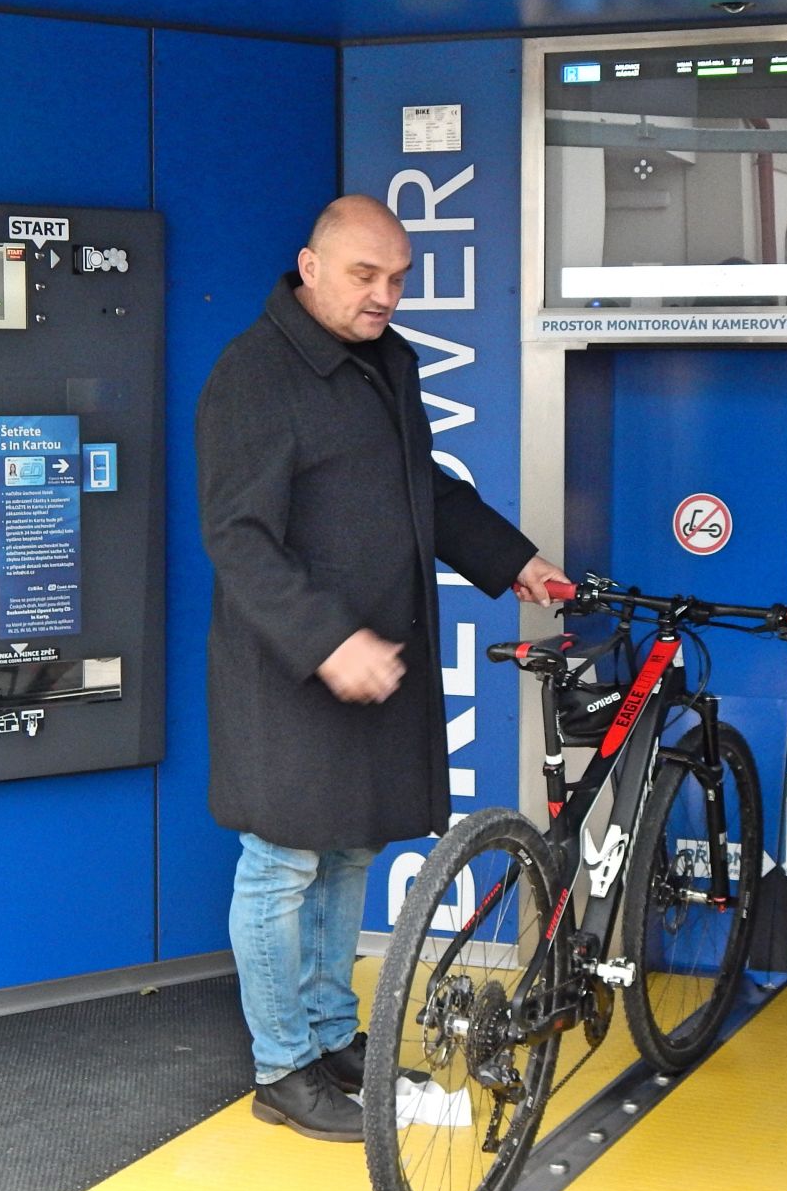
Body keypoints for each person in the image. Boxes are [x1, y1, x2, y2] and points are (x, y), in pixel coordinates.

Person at [195, 195, 568, 1142]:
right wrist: (328, 642)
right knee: (281, 864)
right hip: (293, 668)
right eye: (365, 275)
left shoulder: (385, 362)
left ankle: (331, 1041)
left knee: (348, 850)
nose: (384, 295)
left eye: (397, 278)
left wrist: (511, 559)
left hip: (367, 661)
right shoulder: (254, 374)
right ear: (310, 267)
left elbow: (420, 490)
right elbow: (238, 539)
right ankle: (283, 1069)